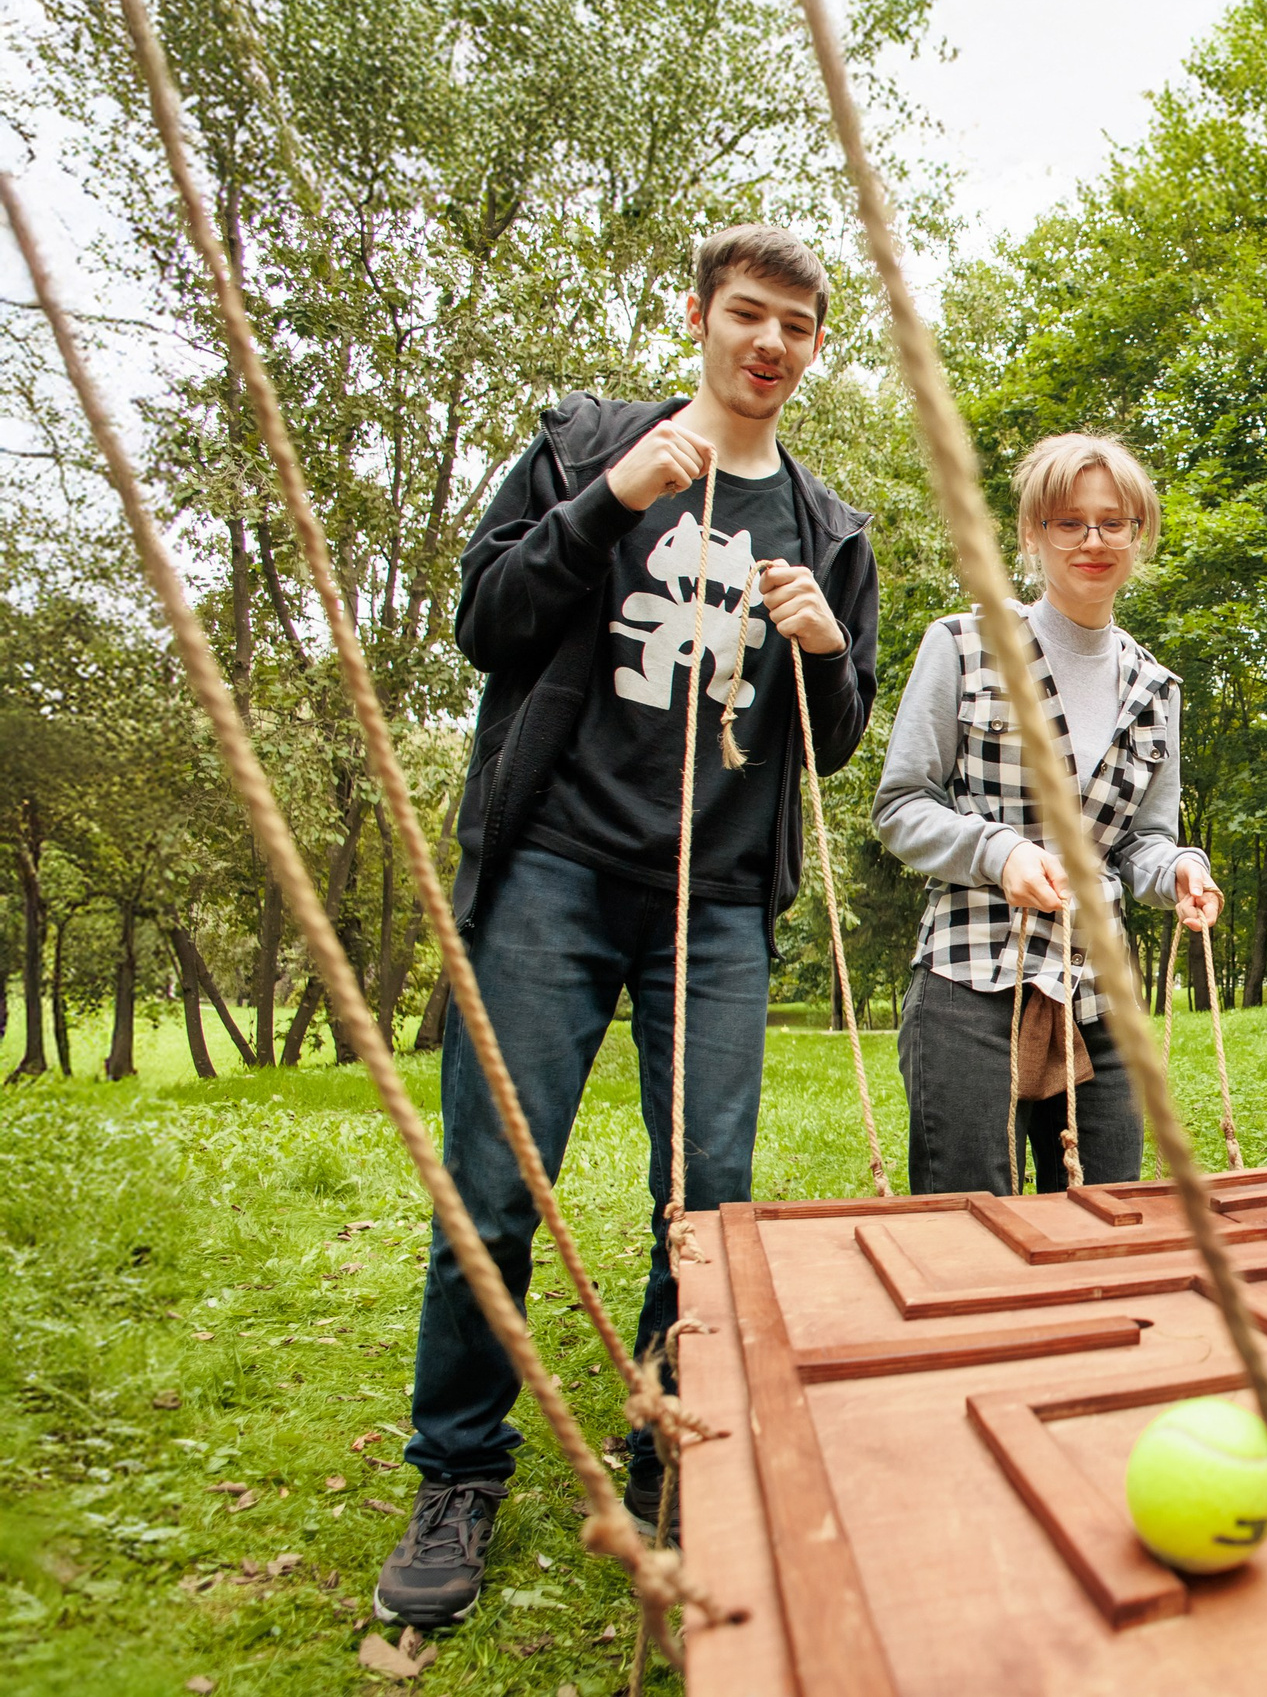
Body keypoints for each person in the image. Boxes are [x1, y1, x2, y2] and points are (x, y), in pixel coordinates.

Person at [374, 226, 880, 1626]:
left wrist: (827, 653)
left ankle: (665, 1433)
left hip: (714, 907)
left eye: (795, 326)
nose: (768, 345)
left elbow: (830, 751)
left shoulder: (832, 533)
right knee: (492, 1182)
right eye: (746, 316)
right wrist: (605, 501)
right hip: (554, 870)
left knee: (705, 1206)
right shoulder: (586, 446)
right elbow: (484, 618)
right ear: (702, 318)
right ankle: (458, 1471)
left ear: (815, 346)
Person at [875, 433, 1222, 1194]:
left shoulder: (1157, 691)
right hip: (970, 973)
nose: (1092, 541)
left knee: (1110, 1218)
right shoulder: (965, 646)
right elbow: (901, 806)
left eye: (1113, 522)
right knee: (967, 1232)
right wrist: (999, 853)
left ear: (1140, 533)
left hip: (1102, 991)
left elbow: (1144, 844)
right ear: (1034, 533)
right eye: (1068, 522)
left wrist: (1183, 872)